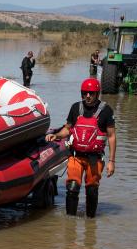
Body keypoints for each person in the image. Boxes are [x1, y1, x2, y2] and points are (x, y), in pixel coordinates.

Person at [45, 78, 117, 218]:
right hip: (75, 156)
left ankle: (91, 223)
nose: (88, 96)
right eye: (85, 93)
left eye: (91, 93)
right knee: (72, 188)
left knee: (91, 190)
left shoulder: (106, 111)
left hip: (94, 159)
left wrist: (111, 161)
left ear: (97, 93)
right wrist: (56, 136)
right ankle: (70, 222)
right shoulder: (75, 108)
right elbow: (67, 130)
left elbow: (112, 136)